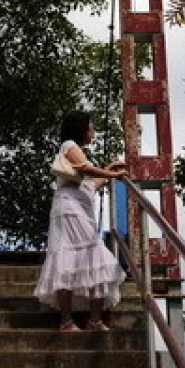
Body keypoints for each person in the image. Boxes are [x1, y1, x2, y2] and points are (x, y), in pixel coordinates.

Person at [34, 110, 128, 332]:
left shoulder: (79, 154)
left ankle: (93, 320)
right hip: (69, 210)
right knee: (74, 258)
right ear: (81, 129)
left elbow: (90, 185)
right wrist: (113, 175)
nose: (93, 132)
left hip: (80, 210)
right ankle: (68, 321)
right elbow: (83, 169)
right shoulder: (69, 145)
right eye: (91, 127)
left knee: (93, 259)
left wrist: (108, 171)